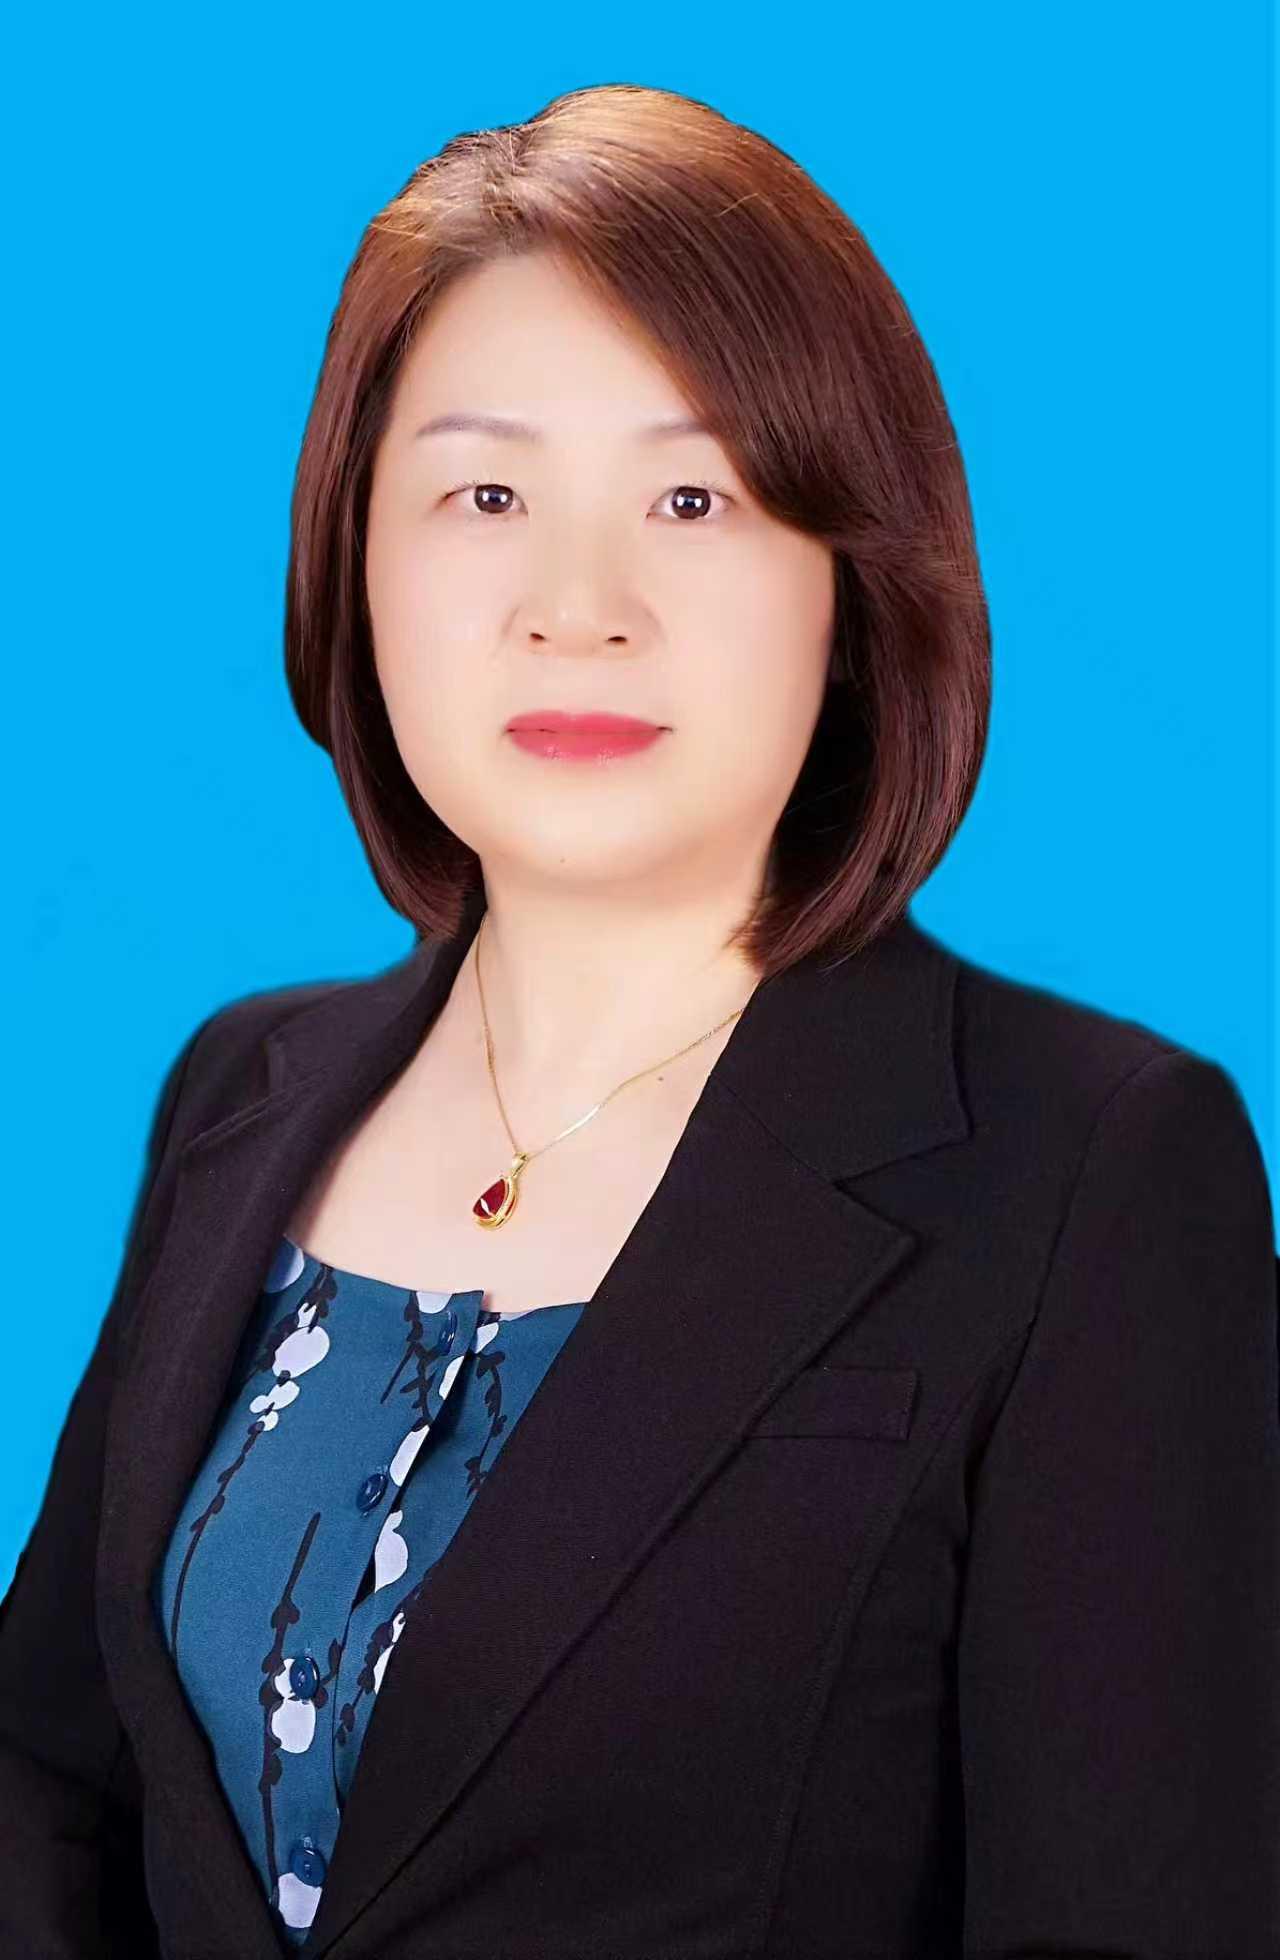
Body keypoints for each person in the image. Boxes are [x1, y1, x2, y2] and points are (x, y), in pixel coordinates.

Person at [3, 79, 1277, 1960]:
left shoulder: (1099, 1168)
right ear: (357, 559)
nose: (578, 607)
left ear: (851, 580)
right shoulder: (244, 1089)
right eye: (486, 495)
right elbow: (49, 1776)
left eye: (694, 498)